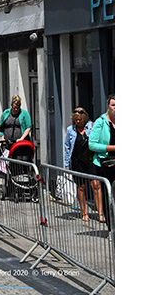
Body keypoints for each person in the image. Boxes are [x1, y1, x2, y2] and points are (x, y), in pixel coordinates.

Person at [64, 107, 99, 220]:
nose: (78, 122)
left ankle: (101, 213)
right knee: (81, 187)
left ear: (84, 118)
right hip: (77, 161)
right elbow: (67, 147)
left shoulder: (92, 127)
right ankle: (84, 213)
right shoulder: (70, 130)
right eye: (76, 120)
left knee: (96, 184)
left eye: (80, 119)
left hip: (91, 159)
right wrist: (67, 165)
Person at [88, 95, 115, 224]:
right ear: (108, 107)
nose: (116, 108)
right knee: (109, 196)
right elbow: (92, 144)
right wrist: (112, 148)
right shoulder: (101, 121)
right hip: (106, 163)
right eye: (113, 105)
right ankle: (111, 228)